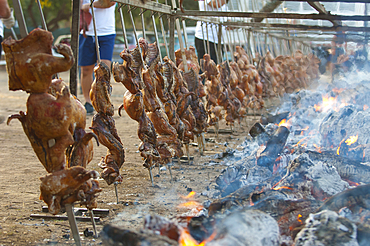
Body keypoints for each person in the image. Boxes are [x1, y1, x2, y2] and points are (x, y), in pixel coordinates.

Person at [79, 0, 116, 114]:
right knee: (86, 70)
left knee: (104, 69)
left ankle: (102, 100)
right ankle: (88, 102)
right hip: (86, 33)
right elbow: (78, 6)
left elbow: (109, 2)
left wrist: (90, 5)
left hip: (106, 32)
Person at [194, 0, 227, 65]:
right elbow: (216, 4)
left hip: (219, 40)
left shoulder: (225, 4)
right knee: (206, 68)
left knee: (218, 68)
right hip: (206, 37)